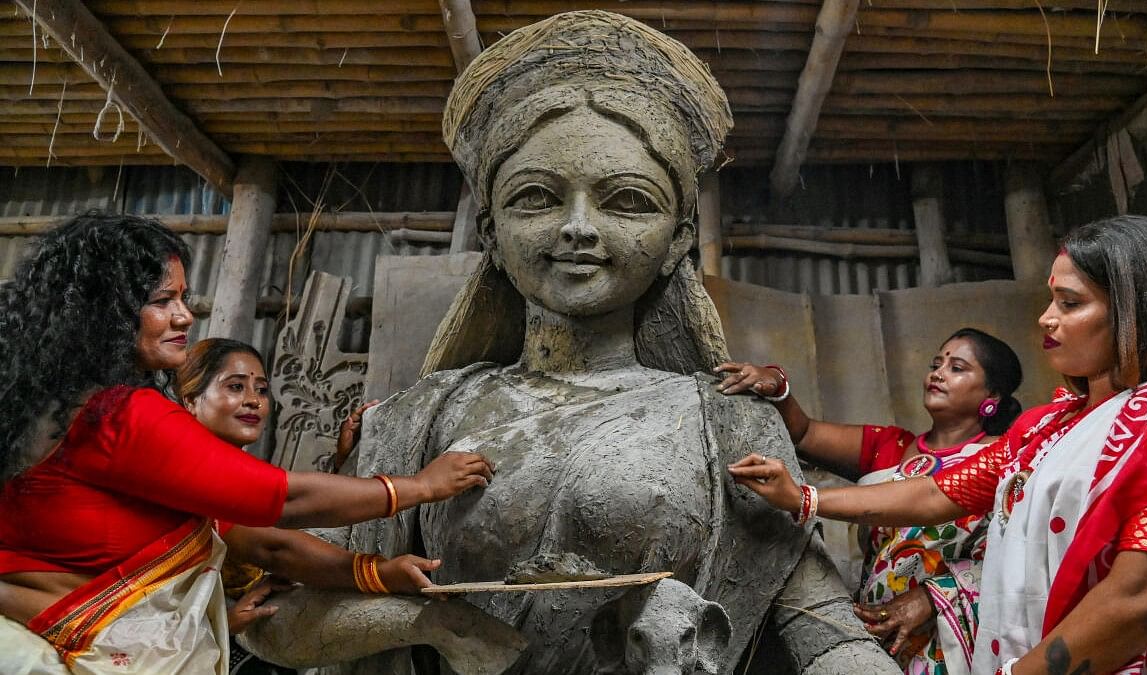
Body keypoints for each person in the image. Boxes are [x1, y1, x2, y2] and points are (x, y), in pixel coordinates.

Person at [242, 10, 897, 675]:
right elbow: (272, 620)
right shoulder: (417, 418)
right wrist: (432, 620)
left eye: (626, 200)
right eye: (537, 197)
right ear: (492, 232)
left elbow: (829, 638)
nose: (579, 228)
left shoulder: (727, 420)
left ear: (676, 238)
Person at [0, 212, 495, 674]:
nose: (184, 317)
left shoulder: (46, 411)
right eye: (161, 301)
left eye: (184, 299)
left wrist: (377, 573)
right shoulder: (116, 415)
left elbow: (261, 540)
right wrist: (419, 487)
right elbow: (277, 503)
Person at [729, 215, 1147, 675]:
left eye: (1070, 303)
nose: (1046, 317)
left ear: (1138, 310)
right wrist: (803, 498)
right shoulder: (1048, 427)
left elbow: (1146, 600)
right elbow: (937, 493)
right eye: (1051, 299)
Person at [717, 327, 1023, 674]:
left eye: (957, 368)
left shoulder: (1003, 457)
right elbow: (803, 432)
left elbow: (1015, 556)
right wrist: (777, 385)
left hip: (952, 637)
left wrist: (932, 597)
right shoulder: (889, 446)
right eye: (936, 363)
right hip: (870, 631)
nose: (937, 373)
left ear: (992, 394)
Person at [174, 337, 385, 675]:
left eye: (260, 390)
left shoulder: (238, 469)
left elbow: (292, 520)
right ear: (191, 400)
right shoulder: (185, 474)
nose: (253, 401)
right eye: (235, 387)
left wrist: (344, 461)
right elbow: (275, 546)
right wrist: (223, 624)